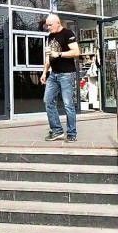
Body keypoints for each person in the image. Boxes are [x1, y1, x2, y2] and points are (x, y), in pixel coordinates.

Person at [41, 14, 81, 142]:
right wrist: (44, 72)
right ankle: (57, 131)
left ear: (58, 23)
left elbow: (76, 52)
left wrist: (58, 54)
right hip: (53, 75)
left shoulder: (68, 33)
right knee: (48, 101)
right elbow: (48, 56)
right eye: (47, 25)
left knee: (68, 104)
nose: (48, 27)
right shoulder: (50, 36)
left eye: (50, 25)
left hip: (66, 74)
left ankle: (71, 133)